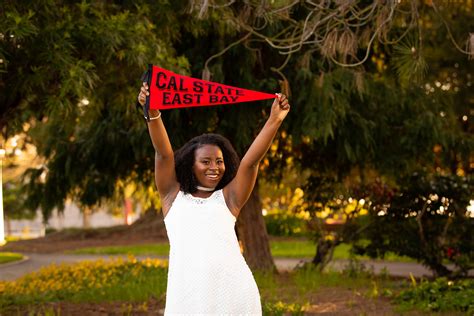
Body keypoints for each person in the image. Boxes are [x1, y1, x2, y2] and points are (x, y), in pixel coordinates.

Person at [138, 82, 290, 315]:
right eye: (206, 161)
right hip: (187, 297)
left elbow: (250, 162)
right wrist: (153, 113)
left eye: (219, 161)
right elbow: (164, 153)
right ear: (191, 164)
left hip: (233, 294)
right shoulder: (172, 195)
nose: (215, 168)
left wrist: (274, 120)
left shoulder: (229, 198)